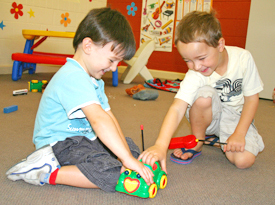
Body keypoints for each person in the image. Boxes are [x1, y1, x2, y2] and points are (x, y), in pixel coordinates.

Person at [6, 7, 154, 192]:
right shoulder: (72, 76)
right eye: (111, 60)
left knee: (128, 147)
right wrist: (126, 161)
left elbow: (108, 117)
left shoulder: (94, 79)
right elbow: (98, 120)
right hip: (58, 144)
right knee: (111, 174)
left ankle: (117, 162)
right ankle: (45, 172)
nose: (115, 68)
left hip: (82, 139)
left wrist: (126, 156)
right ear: (88, 46)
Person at [139, 10, 264, 170]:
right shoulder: (195, 73)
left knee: (243, 161)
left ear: (220, 45)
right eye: (187, 60)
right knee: (203, 95)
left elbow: (252, 99)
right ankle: (198, 140)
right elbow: (177, 108)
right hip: (208, 116)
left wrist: (239, 133)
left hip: (236, 118)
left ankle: (220, 136)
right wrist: (160, 145)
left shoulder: (243, 59)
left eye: (201, 58)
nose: (196, 67)